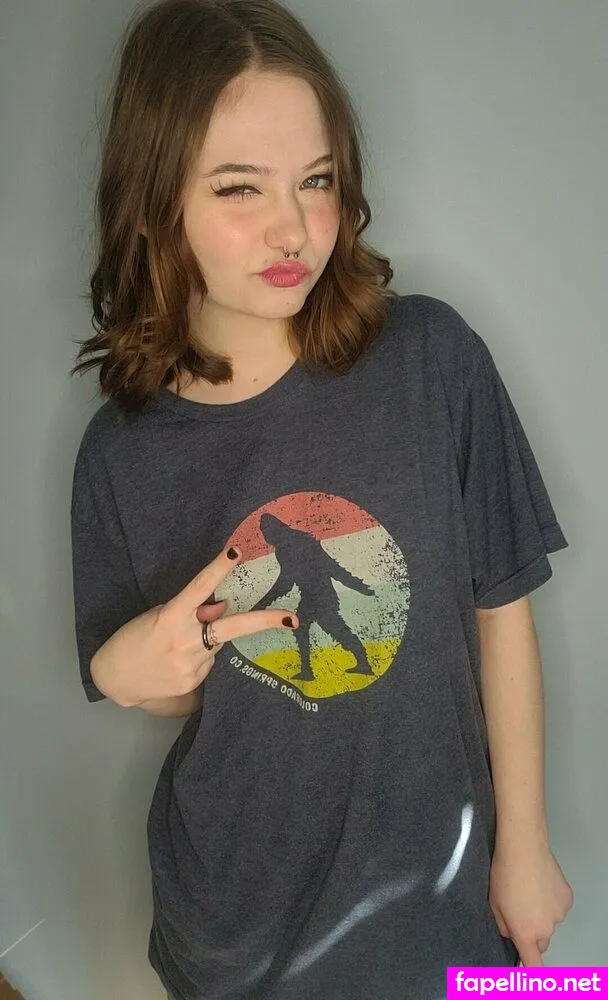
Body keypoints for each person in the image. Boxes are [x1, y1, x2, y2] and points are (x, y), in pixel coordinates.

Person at [69, 0, 574, 997]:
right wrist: (125, 670)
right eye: (238, 187)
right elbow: (184, 686)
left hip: (439, 905)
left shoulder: (431, 359)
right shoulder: (120, 451)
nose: (292, 228)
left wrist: (524, 845)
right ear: (154, 205)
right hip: (233, 931)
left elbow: (501, 606)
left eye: (316, 179)